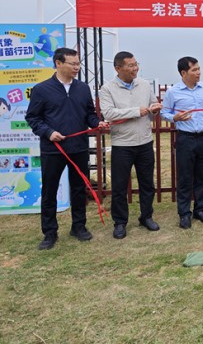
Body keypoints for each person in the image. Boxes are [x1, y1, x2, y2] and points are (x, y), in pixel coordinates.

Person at [26, 47, 109, 250]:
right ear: (58, 63)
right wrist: (48, 132)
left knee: (79, 189)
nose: (77, 67)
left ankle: (78, 227)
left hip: (78, 147)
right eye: (73, 64)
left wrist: (97, 123)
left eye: (78, 64)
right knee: (50, 190)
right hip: (53, 149)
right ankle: (49, 233)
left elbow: (89, 114)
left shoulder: (82, 88)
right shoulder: (41, 89)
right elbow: (33, 118)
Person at [99, 51, 162, 239]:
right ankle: (120, 222)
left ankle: (146, 216)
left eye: (136, 64)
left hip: (145, 142)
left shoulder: (144, 84)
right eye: (131, 65)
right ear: (118, 68)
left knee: (147, 183)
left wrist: (154, 110)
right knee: (119, 187)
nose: (135, 68)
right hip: (122, 144)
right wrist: (136, 111)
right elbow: (109, 114)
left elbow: (152, 107)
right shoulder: (107, 89)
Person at [161, 57, 203, 229]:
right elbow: (164, 113)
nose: (198, 72)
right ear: (183, 73)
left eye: (199, 69)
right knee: (185, 177)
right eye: (194, 70)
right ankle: (184, 213)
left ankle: (200, 210)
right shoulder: (173, 92)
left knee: (202, 176)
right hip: (185, 138)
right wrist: (175, 117)